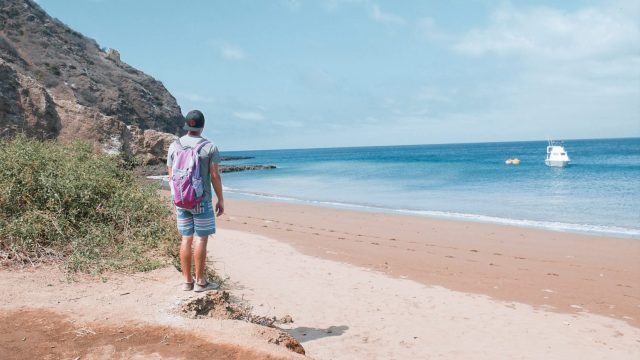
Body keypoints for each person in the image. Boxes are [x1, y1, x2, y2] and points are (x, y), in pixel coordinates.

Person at [167, 110, 224, 292]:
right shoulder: (209, 147)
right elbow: (214, 176)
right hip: (201, 200)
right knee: (201, 238)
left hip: (181, 200)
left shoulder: (174, 146)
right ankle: (200, 282)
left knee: (186, 238)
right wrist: (220, 199)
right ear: (203, 126)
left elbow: (171, 175)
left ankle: (187, 282)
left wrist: (178, 196)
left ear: (186, 125)